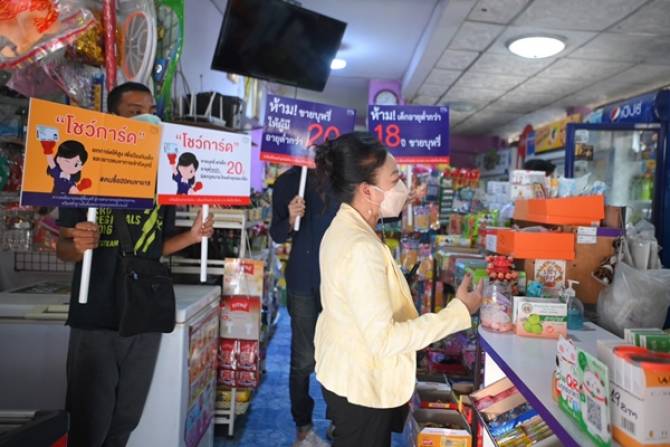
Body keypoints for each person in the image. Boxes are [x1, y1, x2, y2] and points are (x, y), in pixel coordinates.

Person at [56, 81, 214, 447]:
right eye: (134, 111)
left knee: (126, 418)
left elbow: (156, 248)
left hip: (143, 314)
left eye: (152, 111)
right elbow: (63, 247)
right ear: (113, 118)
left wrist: (192, 236)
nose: (147, 118)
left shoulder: (162, 181)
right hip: (95, 315)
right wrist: (77, 245)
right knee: (88, 421)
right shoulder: (84, 174)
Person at [313, 132, 483, 447]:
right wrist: (458, 312)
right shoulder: (361, 247)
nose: (403, 187)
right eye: (395, 180)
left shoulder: (345, 226)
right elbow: (385, 339)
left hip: (346, 369)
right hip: (361, 384)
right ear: (367, 190)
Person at [270, 166, 339, 447]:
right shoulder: (287, 182)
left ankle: (338, 419)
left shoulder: (342, 175)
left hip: (338, 280)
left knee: (338, 354)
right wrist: (290, 218)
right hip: (302, 280)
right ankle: (303, 426)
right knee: (303, 359)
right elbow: (276, 234)